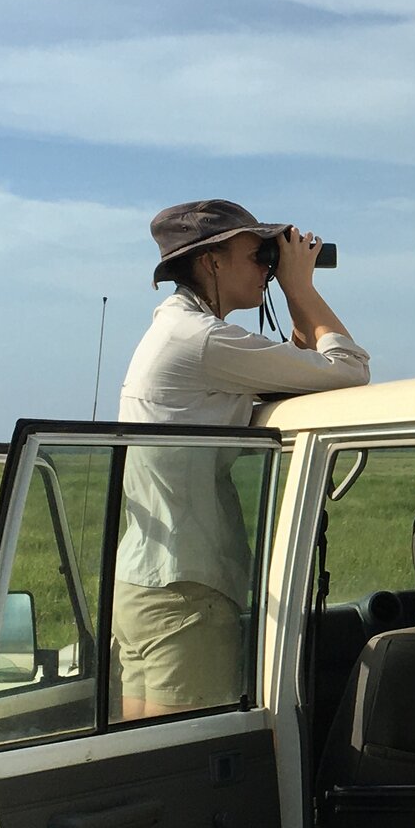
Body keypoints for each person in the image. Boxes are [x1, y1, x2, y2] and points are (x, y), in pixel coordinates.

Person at [112, 199, 371, 718]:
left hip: (147, 582)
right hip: (187, 591)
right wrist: (301, 287)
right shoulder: (204, 341)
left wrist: (290, 288)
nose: (267, 270)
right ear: (211, 260)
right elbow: (349, 368)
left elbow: (300, 371)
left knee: (146, 756)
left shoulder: (177, 331)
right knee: (184, 766)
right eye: (258, 256)